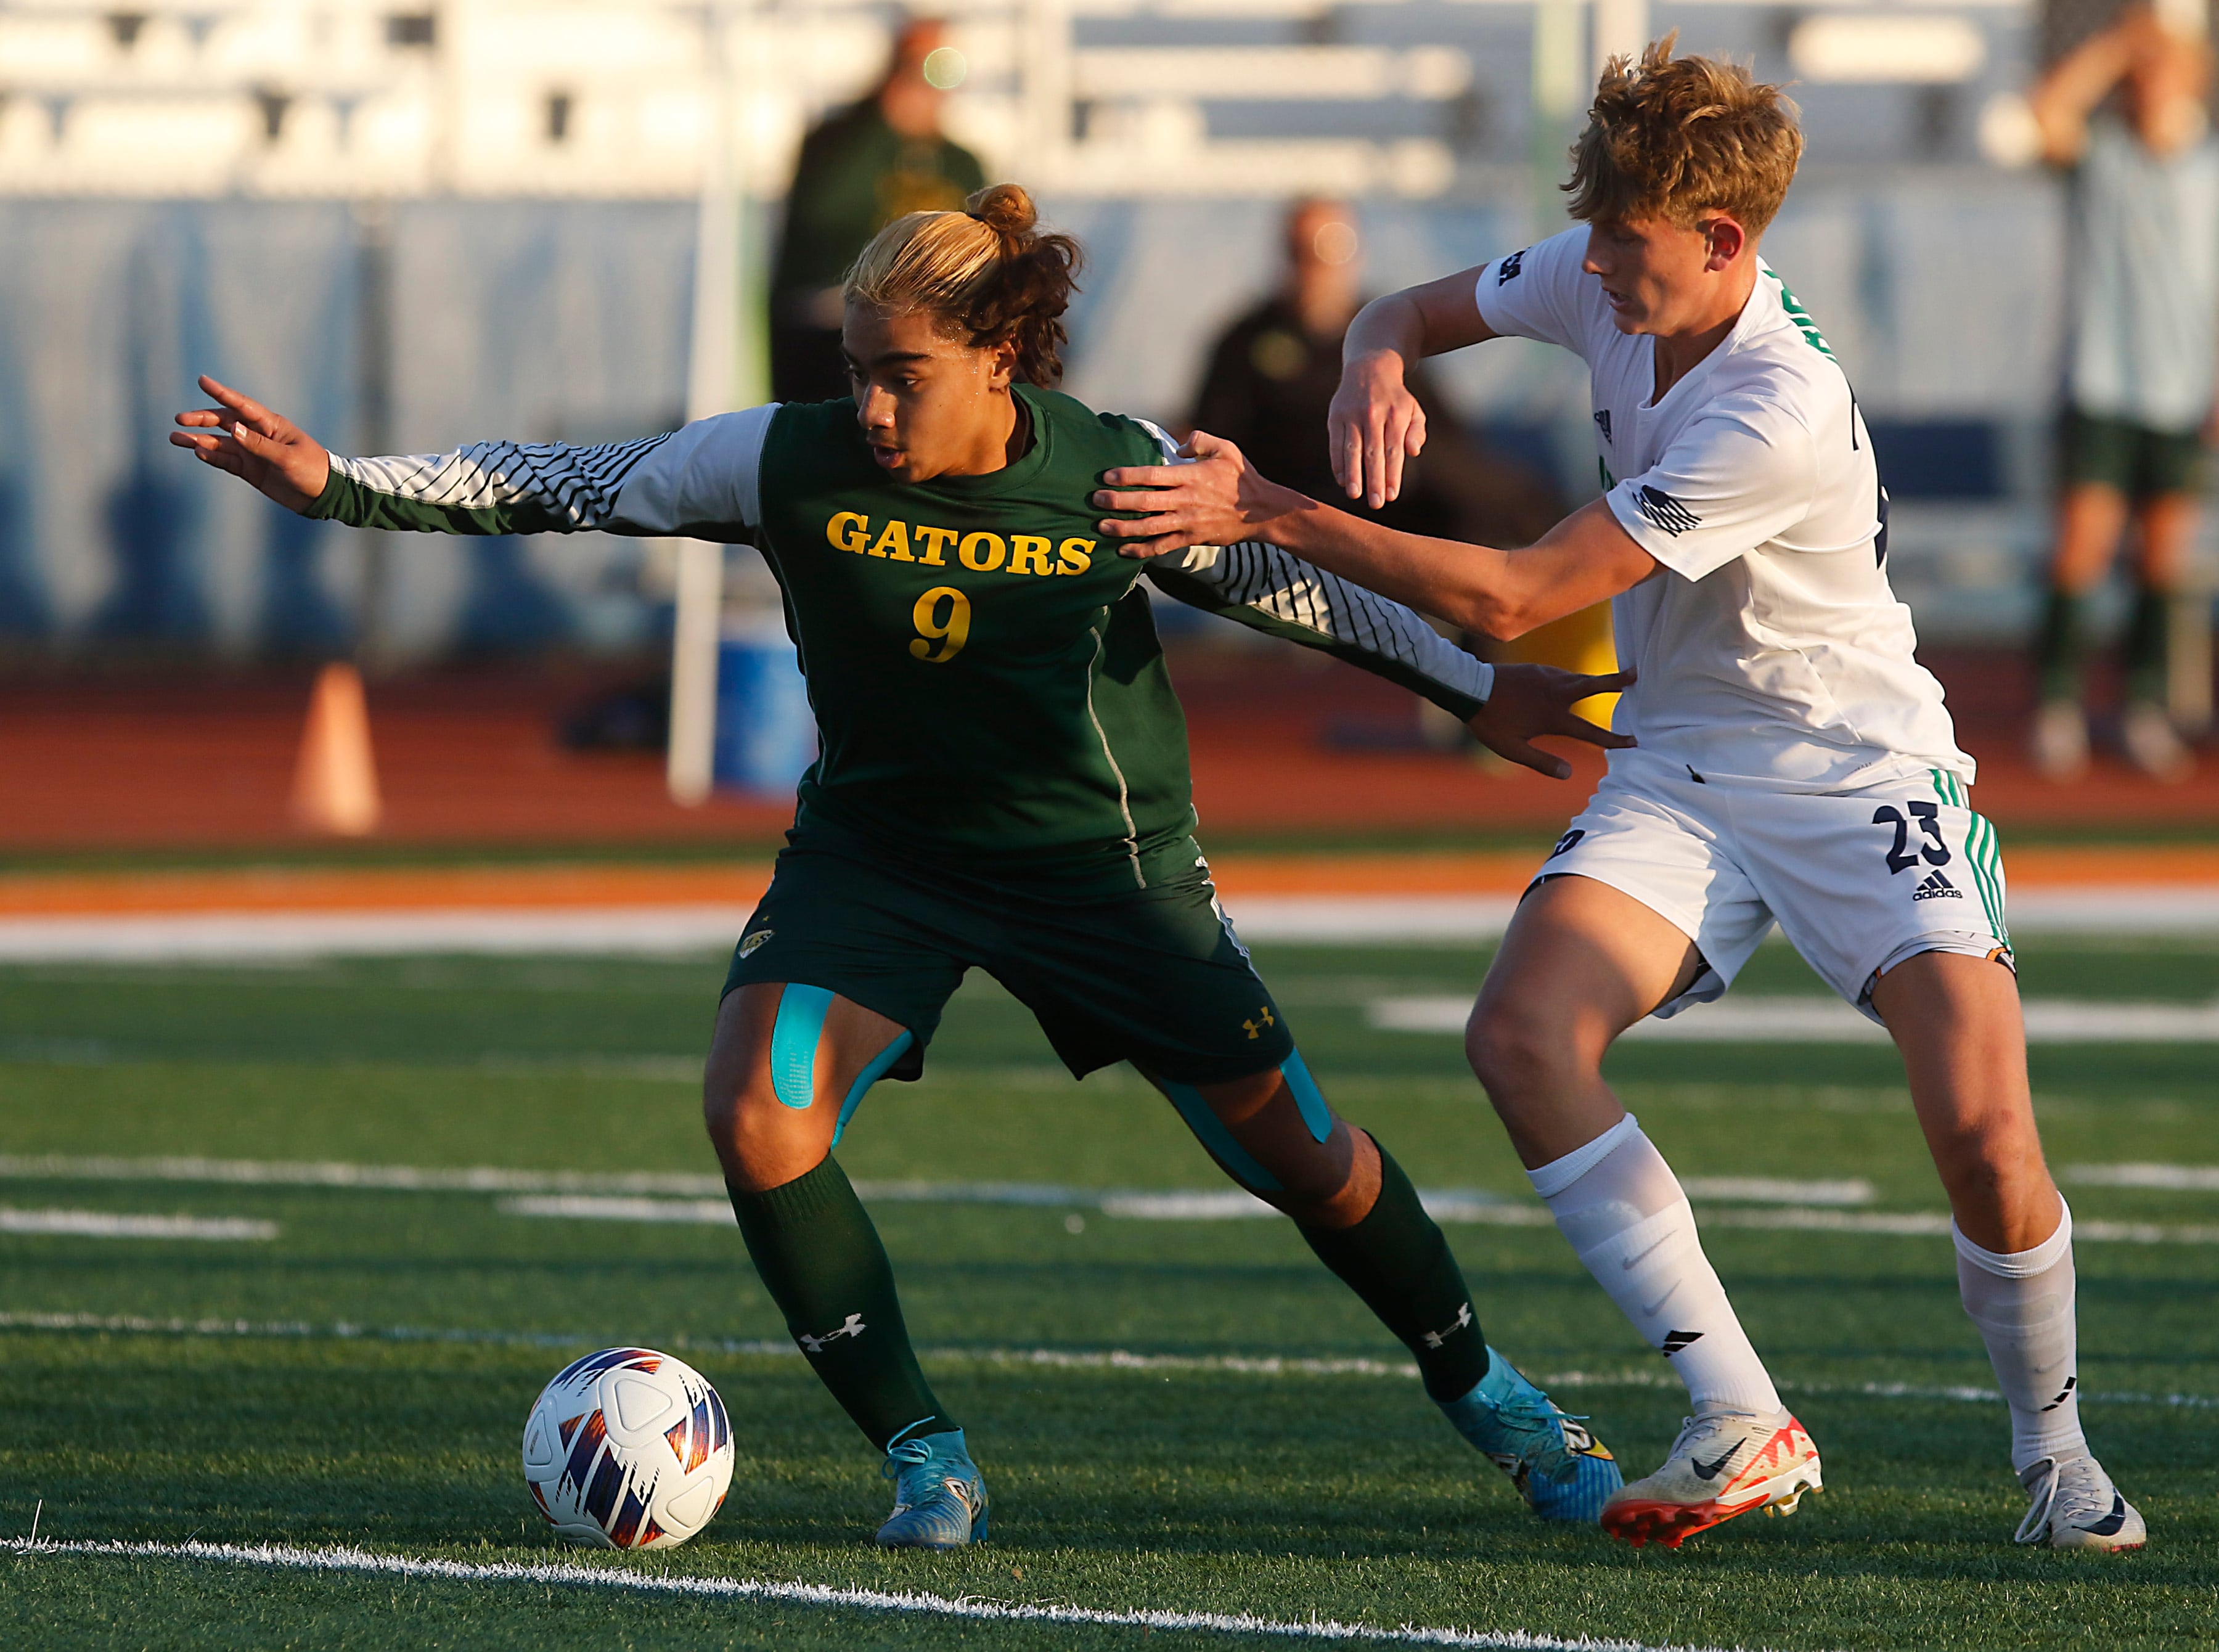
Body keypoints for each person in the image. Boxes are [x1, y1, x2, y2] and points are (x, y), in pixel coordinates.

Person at [173, 185, 1630, 1552]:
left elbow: (1285, 586)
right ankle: (926, 1451)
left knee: (1307, 1163)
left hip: (1102, 871)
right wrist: (338, 483)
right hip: (877, 856)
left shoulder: (1113, 464)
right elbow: (559, 479)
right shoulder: (781, 455)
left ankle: (1488, 1389)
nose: (868, 404)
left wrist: (1468, 684)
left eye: (903, 373)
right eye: (858, 369)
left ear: (1001, 357)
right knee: (755, 1107)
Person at [1092, 42, 2147, 1553]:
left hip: (1855, 767)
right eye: (1588, 229)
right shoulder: (1607, 270)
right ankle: (1739, 1409)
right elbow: (1402, 306)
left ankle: (2056, 1456)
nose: (1588, 262)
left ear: (1722, 241)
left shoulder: (1774, 404)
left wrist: (1264, 506)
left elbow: (1518, 598)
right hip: (1680, 760)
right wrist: (1370, 360)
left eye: (1623, 236)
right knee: (1522, 1033)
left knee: (1983, 1124)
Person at [2026, 6, 2219, 783]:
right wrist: (2118, 47)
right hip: (2104, 384)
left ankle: (2143, 706)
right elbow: (2046, 112)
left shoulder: (2208, 172)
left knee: (2162, 561)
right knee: (2081, 548)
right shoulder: (2102, 161)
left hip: (2181, 394)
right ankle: (2058, 705)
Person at [769, 17, 988, 403]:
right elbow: (821, 218)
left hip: (932, 326)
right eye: (920, 66)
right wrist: (884, 122)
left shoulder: (960, 162)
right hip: (832, 323)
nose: (930, 85)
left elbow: (981, 248)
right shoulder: (837, 143)